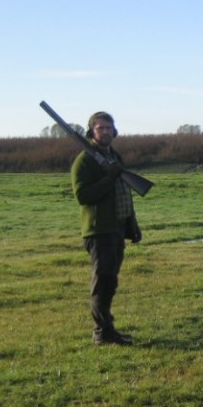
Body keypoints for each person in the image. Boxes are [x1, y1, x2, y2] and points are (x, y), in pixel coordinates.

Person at [71, 111, 143, 346]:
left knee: (110, 281)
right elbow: (83, 196)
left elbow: (124, 194)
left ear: (114, 131)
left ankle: (108, 329)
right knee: (102, 283)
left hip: (116, 228)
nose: (105, 132)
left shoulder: (113, 156)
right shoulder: (85, 160)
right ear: (91, 131)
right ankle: (101, 333)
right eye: (100, 128)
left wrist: (132, 225)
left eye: (108, 128)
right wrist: (108, 178)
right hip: (99, 231)